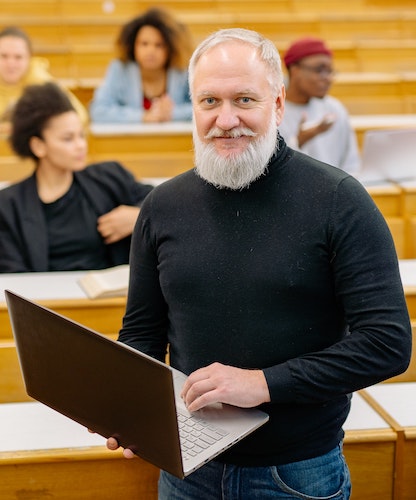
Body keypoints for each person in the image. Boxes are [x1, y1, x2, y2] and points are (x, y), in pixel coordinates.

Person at [106, 28, 411, 498]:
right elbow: (142, 333)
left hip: (296, 474)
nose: (225, 120)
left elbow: (387, 343)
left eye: (244, 99)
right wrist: (127, 408)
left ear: (278, 104)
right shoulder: (162, 205)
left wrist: (264, 384)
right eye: (208, 102)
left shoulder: (339, 200)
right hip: (185, 470)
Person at [0, 82, 153, 273]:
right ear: (38, 146)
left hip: (110, 299)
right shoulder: (8, 205)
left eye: (81, 136)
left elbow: (164, 205)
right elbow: (14, 278)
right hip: (46, 300)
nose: (81, 145)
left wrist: (138, 217)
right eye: (68, 139)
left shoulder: (109, 177)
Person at [89, 7, 193, 123]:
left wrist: (171, 114)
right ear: (133, 46)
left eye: (159, 45)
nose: (151, 51)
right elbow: (98, 111)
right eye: (144, 44)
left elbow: (202, 108)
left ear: (170, 49)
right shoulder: (119, 69)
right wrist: (143, 117)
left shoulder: (182, 71)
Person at [278, 37, 360, 174]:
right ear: (294, 70)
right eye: (320, 70)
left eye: (330, 71)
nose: (328, 78)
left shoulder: (335, 109)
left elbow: (351, 163)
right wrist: (299, 141)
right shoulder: (273, 110)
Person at [0, 26, 88, 135]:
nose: (11, 64)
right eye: (4, 56)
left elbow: (78, 114)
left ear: (29, 59)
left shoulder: (40, 81)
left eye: (18, 57)